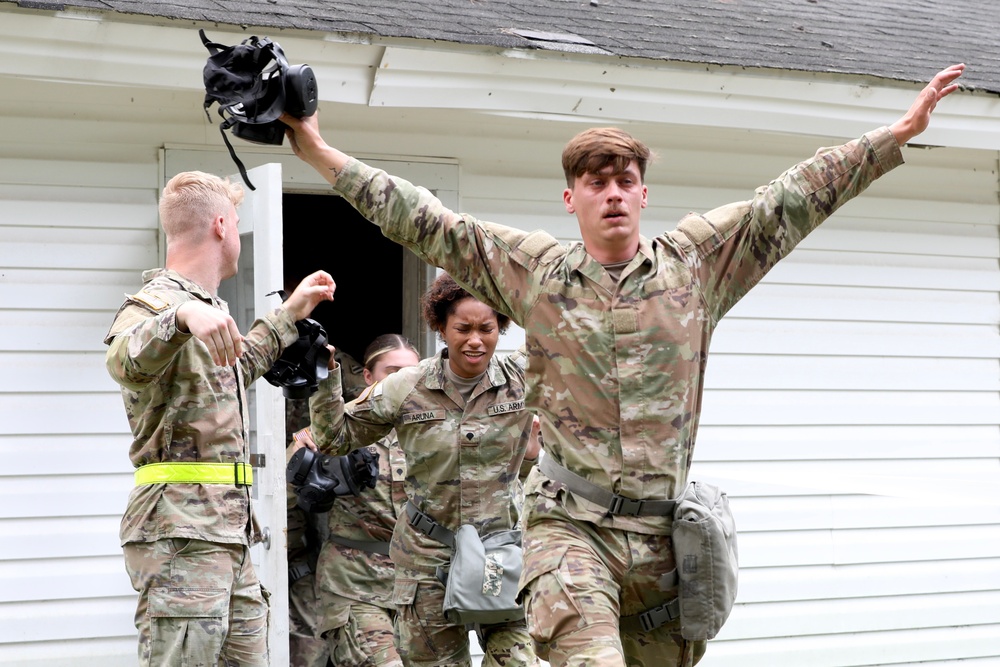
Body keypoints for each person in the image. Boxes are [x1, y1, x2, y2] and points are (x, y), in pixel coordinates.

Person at [281, 63, 965, 667]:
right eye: (595, 181)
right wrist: (315, 148)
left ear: (643, 196)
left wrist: (896, 135)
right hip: (571, 528)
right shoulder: (535, 274)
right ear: (570, 198)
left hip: (667, 539)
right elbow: (424, 219)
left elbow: (788, 200)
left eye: (625, 181)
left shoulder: (698, 267)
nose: (611, 192)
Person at [103, 170, 336, 667]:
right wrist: (180, 319)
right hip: (181, 535)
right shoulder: (158, 302)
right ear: (224, 225)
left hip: (227, 534)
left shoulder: (209, 307)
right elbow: (123, 360)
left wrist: (288, 315)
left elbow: (236, 368)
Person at [300, 274, 541, 667]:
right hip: (428, 558)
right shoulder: (406, 387)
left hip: (500, 554)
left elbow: (577, 348)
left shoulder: (524, 379)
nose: (475, 340)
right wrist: (326, 379)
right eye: (462, 328)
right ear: (442, 328)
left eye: (487, 328)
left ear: (502, 328)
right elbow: (334, 438)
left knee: (518, 660)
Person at [293, 334, 421, 667]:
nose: (401, 381)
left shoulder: (430, 431)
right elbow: (288, 487)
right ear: (367, 376)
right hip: (356, 585)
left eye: (411, 373)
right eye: (391, 371)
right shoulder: (339, 427)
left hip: (418, 591)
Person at [287, 347, 367, 667]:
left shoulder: (339, 363)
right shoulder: (263, 350)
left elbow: (363, 411)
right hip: (293, 483)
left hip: (332, 474)